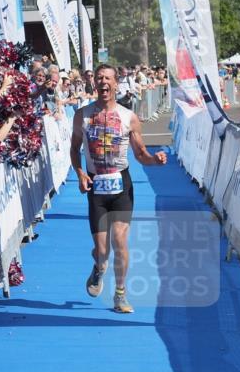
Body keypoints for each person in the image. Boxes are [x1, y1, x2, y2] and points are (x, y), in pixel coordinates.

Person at [70, 64, 168, 314]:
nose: (103, 82)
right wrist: (80, 173)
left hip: (121, 186)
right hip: (96, 187)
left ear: (116, 84)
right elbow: (74, 148)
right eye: (99, 78)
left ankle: (120, 294)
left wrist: (154, 160)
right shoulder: (82, 115)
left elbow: (140, 153)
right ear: (94, 83)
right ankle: (99, 267)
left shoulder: (129, 117)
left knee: (120, 240)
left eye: (108, 78)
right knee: (102, 251)